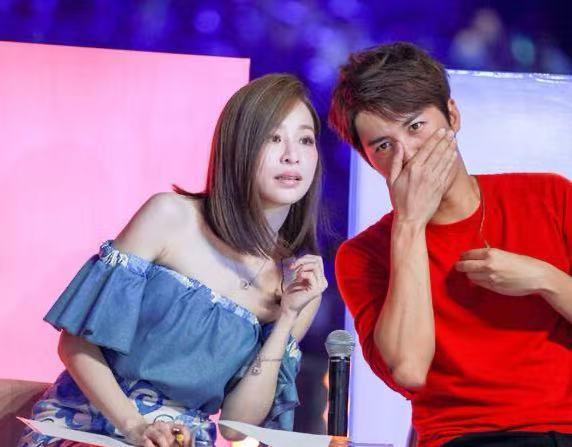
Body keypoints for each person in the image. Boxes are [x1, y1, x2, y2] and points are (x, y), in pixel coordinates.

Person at [19, 73, 327, 447]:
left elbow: (235, 426)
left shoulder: (296, 283)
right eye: (273, 138)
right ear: (239, 147)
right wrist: (135, 427)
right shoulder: (170, 217)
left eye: (305, 140)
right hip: (85, 427)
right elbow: (75, 344)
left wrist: (287, 318)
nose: (292, 154)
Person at [329, 42, 572, 447]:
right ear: (369, 160)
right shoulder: (362, 256)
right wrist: (409, 224)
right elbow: (409, 369)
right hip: (461, 439)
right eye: (383, 146)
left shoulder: (550, 196)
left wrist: (546, 279)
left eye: (415, 127)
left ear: (452, 115)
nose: (407, 154)